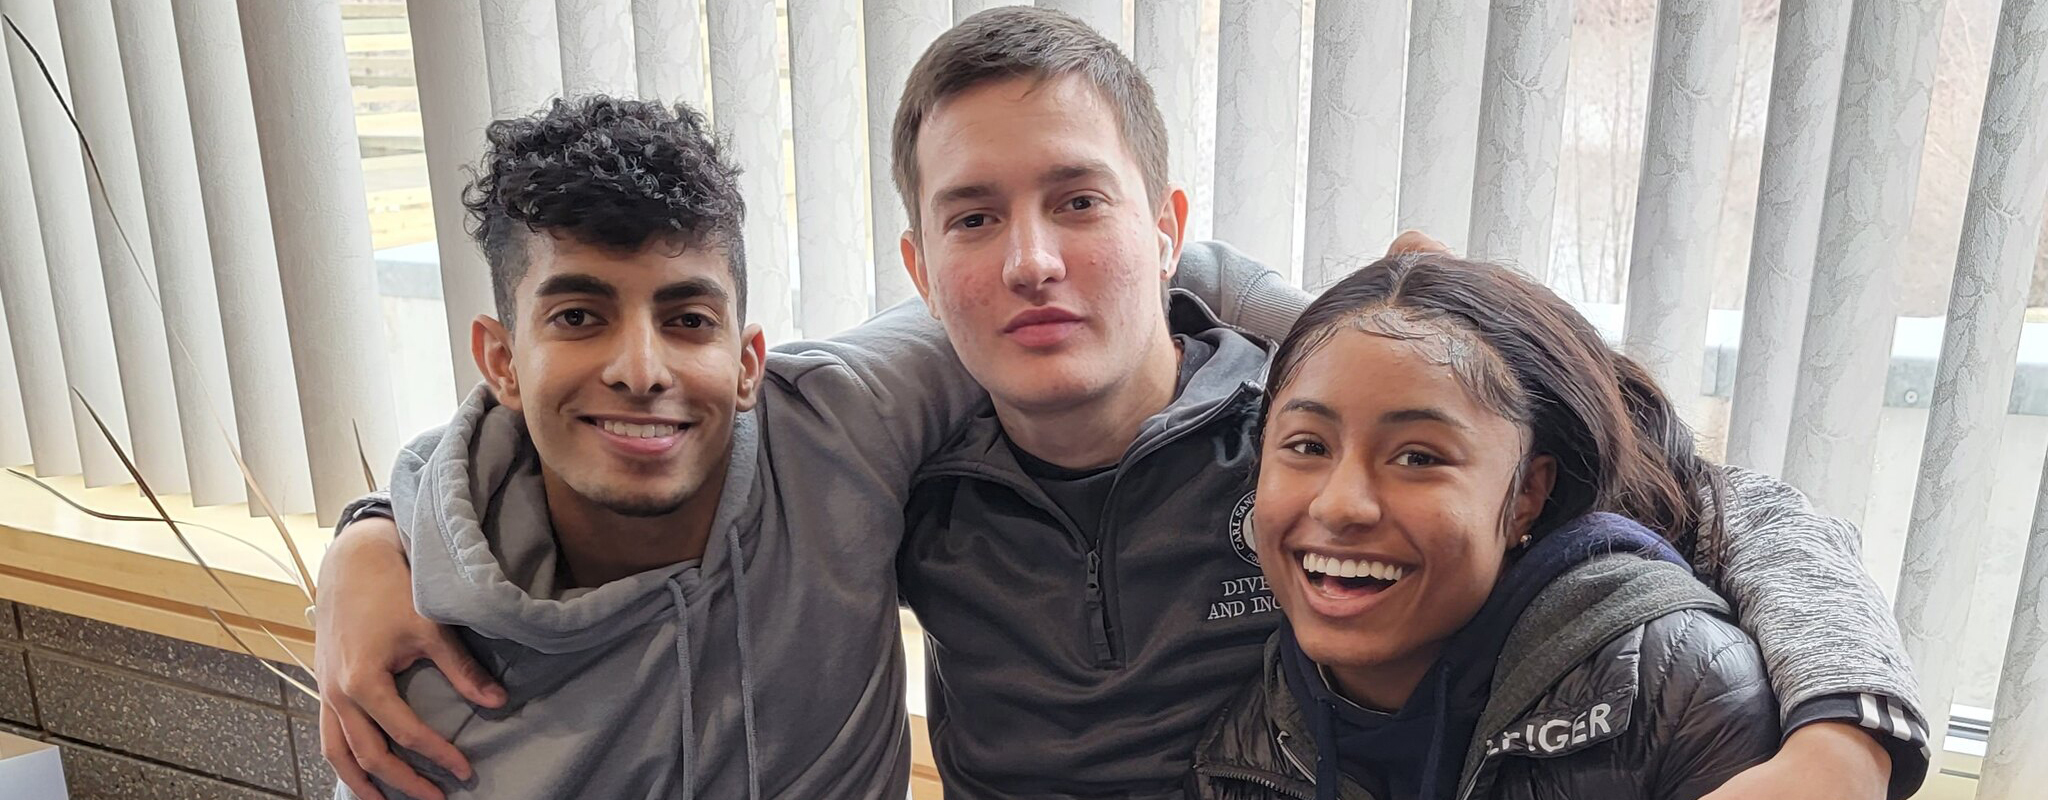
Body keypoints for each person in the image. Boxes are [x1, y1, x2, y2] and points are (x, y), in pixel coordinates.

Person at [320, 7, 1930, 800]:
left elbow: (1708, 496)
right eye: (974, 219)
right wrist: (373, 533)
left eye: (1080, 203)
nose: (1028, 262)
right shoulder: (881, 428)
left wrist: (1850, 730)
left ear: (1168, 232)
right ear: (919, 263)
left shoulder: (1321, 435)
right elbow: (588, 404)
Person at [1191, 254, 1780, 800]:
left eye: (1418, 458)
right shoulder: (1245, 748)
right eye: (1308, 445)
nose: (1340, 506)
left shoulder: (1674, 691)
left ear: (1528, 492)